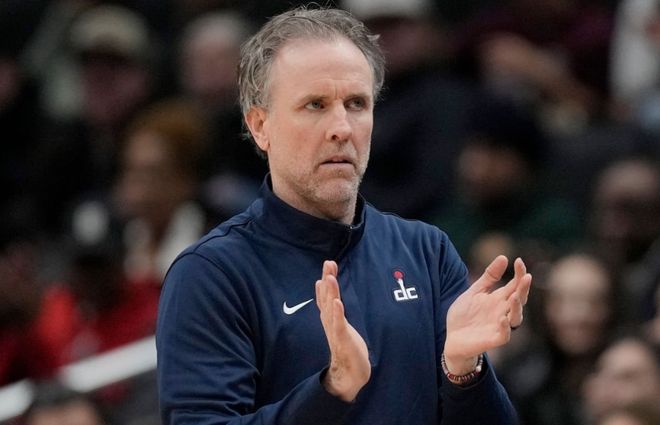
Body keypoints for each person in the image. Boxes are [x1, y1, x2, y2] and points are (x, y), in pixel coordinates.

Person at [157, 6, 532, 424]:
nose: (342, 128)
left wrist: (465, 371)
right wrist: (331, 391)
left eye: (356, 104)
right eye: (315, 104)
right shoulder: (212, 274)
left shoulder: (426, 252)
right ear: (260, 125)